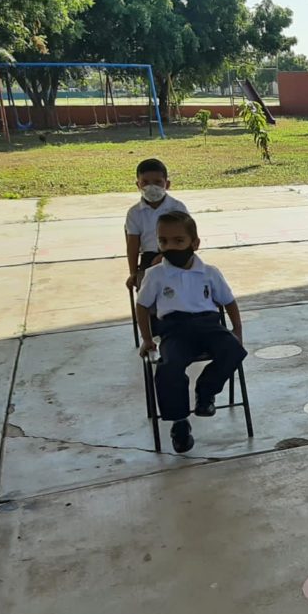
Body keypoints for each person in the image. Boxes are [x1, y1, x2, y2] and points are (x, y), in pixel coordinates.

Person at [136, 212, 247, 454]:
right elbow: (142, 306)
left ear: (194, 243)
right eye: (163, 241)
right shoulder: (155, 275)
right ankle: (179, 423)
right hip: (175, 330)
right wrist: (146, 339)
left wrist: (237, 330)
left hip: (208, 325)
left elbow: (228, 302)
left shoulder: (209, 272)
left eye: (178, 241)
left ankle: (205, 393)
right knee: (169, 367)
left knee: (234, 349)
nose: (170, 247)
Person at [124, 158, 188, 290]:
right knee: (147, 287)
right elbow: (132, 245)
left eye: (158, 182)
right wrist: (133, 273)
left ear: (167, 184)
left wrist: (165, 257)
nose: (151, 187)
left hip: (178, 254)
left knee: (182, 286)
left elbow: (187, 238)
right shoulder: (135, 213)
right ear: (138, 185)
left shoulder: (177, 207)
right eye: (145, 182)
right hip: (148, 258)